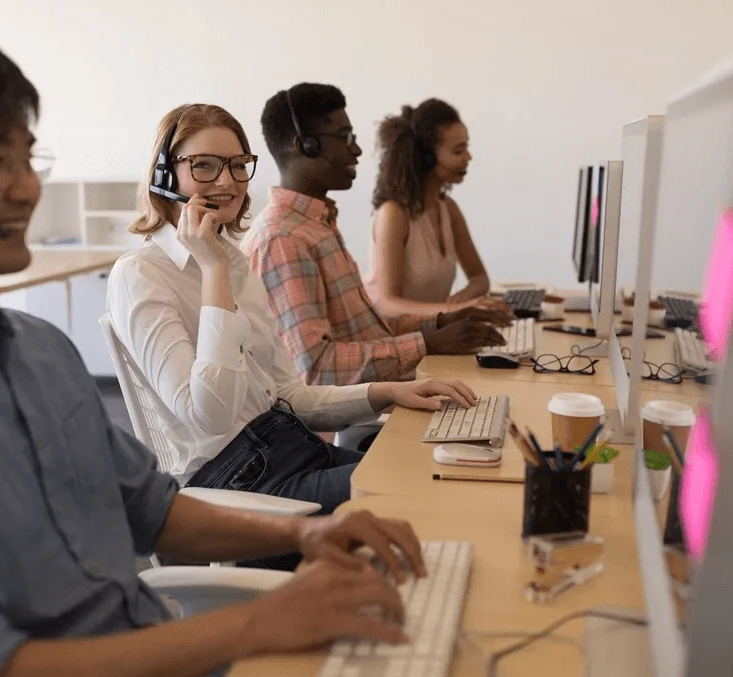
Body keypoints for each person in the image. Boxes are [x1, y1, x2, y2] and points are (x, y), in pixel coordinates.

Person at [0, 29, 430, 677]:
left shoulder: (40, 351)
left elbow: (153, 510)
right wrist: (256, 624)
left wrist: (305, 537)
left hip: (162, 649)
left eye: (27, 158)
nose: (26, 188)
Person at [107, 103, 479, 519]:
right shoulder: (141, 274)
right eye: (204, 166)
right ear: (165, 176)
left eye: (237, 165)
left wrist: (389, 392)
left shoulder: (234, 263)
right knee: (417, 491)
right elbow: (210, 415)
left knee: (438, 469)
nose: (227, 181)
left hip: (285, 448)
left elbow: (286, 394)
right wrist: (212, 270)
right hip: (232, 482)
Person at [246, 83, 510, 388]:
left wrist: (440, 322)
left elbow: (367, 333)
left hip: (383, 395)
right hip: (351, 425)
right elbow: (317, 370)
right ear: (305, 145)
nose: (356, 149)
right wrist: (428, 342)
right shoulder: (283, 240)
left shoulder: (318, 225)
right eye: (344, 137)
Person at [365, 99, 501, 318]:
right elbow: (388, 303)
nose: (468, 158)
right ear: (427, 158)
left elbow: (479, 278)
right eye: (458, 151)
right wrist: (454, 310)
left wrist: (460, 302)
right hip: (388, 336)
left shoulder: (448, 209)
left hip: (429, 333)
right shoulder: (393, 215)